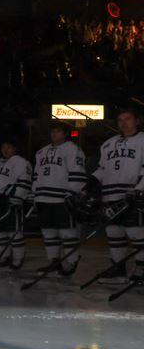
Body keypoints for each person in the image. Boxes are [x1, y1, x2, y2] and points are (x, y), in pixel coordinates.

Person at [92, 108, 144, 284]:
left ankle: (141, 268)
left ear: (137, 121)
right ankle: (119, 268)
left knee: (136, 232)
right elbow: (102, 169)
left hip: (134, 195)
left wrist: (139, 189)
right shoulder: (108, 144)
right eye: (120, 119)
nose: (123, 122)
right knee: (114, 232)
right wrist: (90, 182)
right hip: (110, 195)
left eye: (128, 118)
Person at [33, 124, 87, 277]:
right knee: (48, 232)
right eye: (52, 131)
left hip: (62, 198)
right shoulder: (41, 152)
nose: (54, 134)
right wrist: (34, 195)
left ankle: (71, 262)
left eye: (58, 131)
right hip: (43, 198)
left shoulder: (72, 149)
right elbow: (37, 176)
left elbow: (77, 172)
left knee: (67, 232)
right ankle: (53, 262)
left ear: (65, 134)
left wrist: (72, 193)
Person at [0, 140, 32, 271]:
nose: (5, 150)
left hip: (12, 200)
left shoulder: (21, 162)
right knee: (0, 232)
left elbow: (25, 181)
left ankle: (18, 258)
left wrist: (18, 197)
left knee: (14, 231)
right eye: (3, 146)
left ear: (14, 148)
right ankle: (5, 256)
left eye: (8, 147)